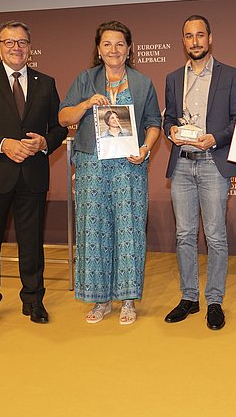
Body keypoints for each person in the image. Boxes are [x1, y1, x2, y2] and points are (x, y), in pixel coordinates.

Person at [0, 20, 68, 332]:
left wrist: (46, 142)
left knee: (31, 243)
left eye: (22, 42)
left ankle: (33, 300)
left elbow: (59, 127)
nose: (16, 47)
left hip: (32, 175)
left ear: (30, 47)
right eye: (9, 42)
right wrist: (3, 145)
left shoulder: (46, 82)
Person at [58, 20, 161, 325]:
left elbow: (154, 123)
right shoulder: (85, 80)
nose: (113, 50)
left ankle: (128, 300)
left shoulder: (142, 83)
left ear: (129, 49)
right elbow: (64, 117)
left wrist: (146, 149)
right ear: (98, 50)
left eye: (119, 44)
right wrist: (87, 103)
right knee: (94, 231)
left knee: (129, 231)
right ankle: (100, 299)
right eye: (107, 44)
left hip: (130, 166)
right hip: (92, 165)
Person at [162, 15, 236, 330]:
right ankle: (188, 298)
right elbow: (168, 116)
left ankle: (214, 301)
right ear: (182, 40)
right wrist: (170, 128)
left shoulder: (232, 75)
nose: (195, 41)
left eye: (200, 35)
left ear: (210, 38)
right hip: (182, 163)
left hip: (214, 162)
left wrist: (216, 137)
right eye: (188, 36)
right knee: (184, 235)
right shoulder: (172, 78)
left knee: (215, 236)